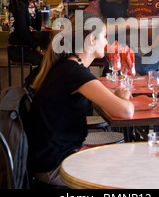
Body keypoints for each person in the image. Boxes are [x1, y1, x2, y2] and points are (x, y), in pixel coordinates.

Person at [25, 11, 134, 187]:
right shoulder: (73, 72)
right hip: (54, 167)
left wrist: (116, 97)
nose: (106, 42)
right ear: (92, 39)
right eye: (104, 37)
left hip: (51, 156)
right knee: (124, 170)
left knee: (122, 161)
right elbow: (126, 111)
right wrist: (123, 97)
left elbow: (103, 96)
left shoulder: (68, 66)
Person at [8, 0, 43, 66]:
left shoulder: (22, 5)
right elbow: (23, 32)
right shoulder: (20, 6)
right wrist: (37, 48)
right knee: (47, 61)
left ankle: (34, 79)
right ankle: (32, 79)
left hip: (22, 50)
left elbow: (37, 27)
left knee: (47, 61)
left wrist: (38, 9)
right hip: (18, 51)